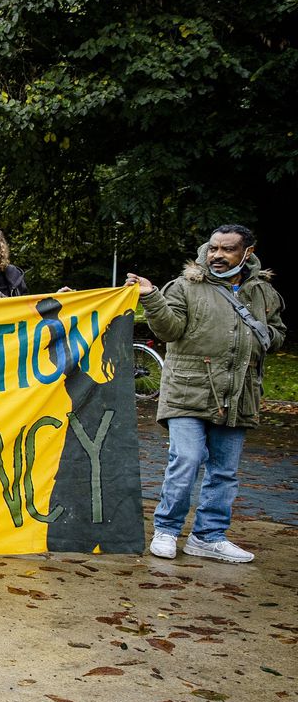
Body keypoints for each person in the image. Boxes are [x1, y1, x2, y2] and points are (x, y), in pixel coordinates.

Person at [127, 224, 286, 563]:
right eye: (213, 248)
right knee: (186, 459)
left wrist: (264, 337)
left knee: (224, 470)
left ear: (248, 252)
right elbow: (168, 330)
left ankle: (208, 537)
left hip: (238, 393)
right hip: (187, 390)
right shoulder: (187, 286)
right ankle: (166, 530)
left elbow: (277, 333)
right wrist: (152, 297)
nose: (216, 255)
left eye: (227, 249)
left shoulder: (263, 293)